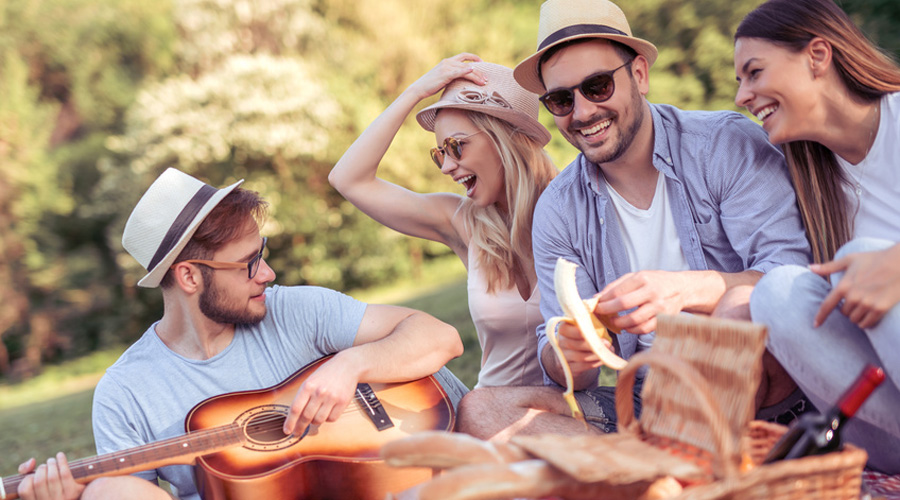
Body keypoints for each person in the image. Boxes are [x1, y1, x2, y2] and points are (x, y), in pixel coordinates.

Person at [455, 0, 812, 441]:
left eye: (598, 86)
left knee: (733, 312)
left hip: (765, 394)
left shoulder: (723, 146)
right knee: (483, 411)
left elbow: (793, 277)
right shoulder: (558, 210)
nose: (583, 113)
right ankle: (655, 470)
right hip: (647, 402)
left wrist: (686, 290)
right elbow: (563, 368)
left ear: (639, 75)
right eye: (562, 99)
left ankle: (651, 467)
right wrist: (568, 351)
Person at [14, 167, 469, 499]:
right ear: (189, 277)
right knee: (104, 495)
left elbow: (441, 337)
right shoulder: (125, 390)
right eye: (248, 263)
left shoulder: (292, 309)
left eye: (262, 252)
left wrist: (350, 364)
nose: (267, 274)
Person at [734, 0, 900, 474]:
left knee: (862, 255)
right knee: (778, 292)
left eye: (754, 72)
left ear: (818, 56)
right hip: (883, 424)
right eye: (740, 81)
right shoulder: (811, 181)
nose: (744, 95)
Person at [329, 56, 557, 388]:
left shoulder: (573, 208)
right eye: (439, 154)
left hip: (572, 413)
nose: (447, 167)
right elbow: (348, 179)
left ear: (505, 136)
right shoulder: (461, 222)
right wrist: (415, 92)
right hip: (491, 416)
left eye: (456, 146)